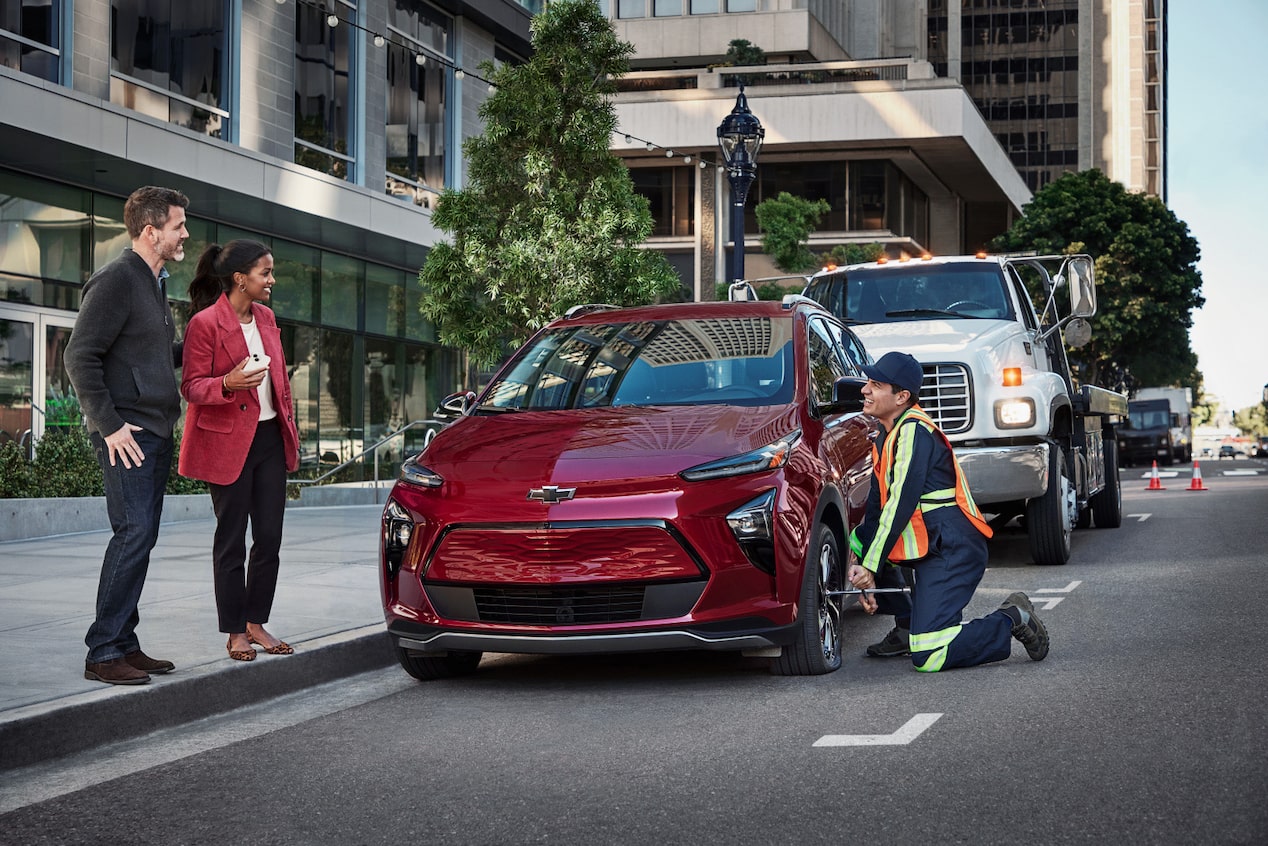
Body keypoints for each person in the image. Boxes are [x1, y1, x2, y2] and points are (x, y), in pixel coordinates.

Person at [846, 351, 1049, 672]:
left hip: (953, 549)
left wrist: (872, 566)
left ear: (901, 397)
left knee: (929, 655)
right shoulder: (886, 436)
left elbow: (901, 503)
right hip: (932, 547)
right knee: (863, 536)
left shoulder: (914, 431)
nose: (864, 390)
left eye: (875, 384)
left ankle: (1011, 617)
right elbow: (877, 509)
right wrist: (861, 562)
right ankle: (909, 625)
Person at [65, 186, 189, 685]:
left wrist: (212, 337)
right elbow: (80, 356)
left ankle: (124, 641)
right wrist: (110, 425)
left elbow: (158, 357)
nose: (185, 234)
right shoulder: (117, 279)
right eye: (179, 226)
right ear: (150, 230)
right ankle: (103, 650)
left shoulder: (153, 283)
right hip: (128, 432)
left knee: (144, 536)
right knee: (133, 533)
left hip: (155, 428)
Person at [178, 240, 300, 662]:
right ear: (239, 279)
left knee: (269, 538)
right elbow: (191, 386)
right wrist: (227, 384)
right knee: (230, 540)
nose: (271, 280)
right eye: (265, 273)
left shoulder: (266, 317)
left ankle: (256, 622)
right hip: (227, 442)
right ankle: (235, 632)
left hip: (268, 438)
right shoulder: (205, 323)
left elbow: (278, 379)